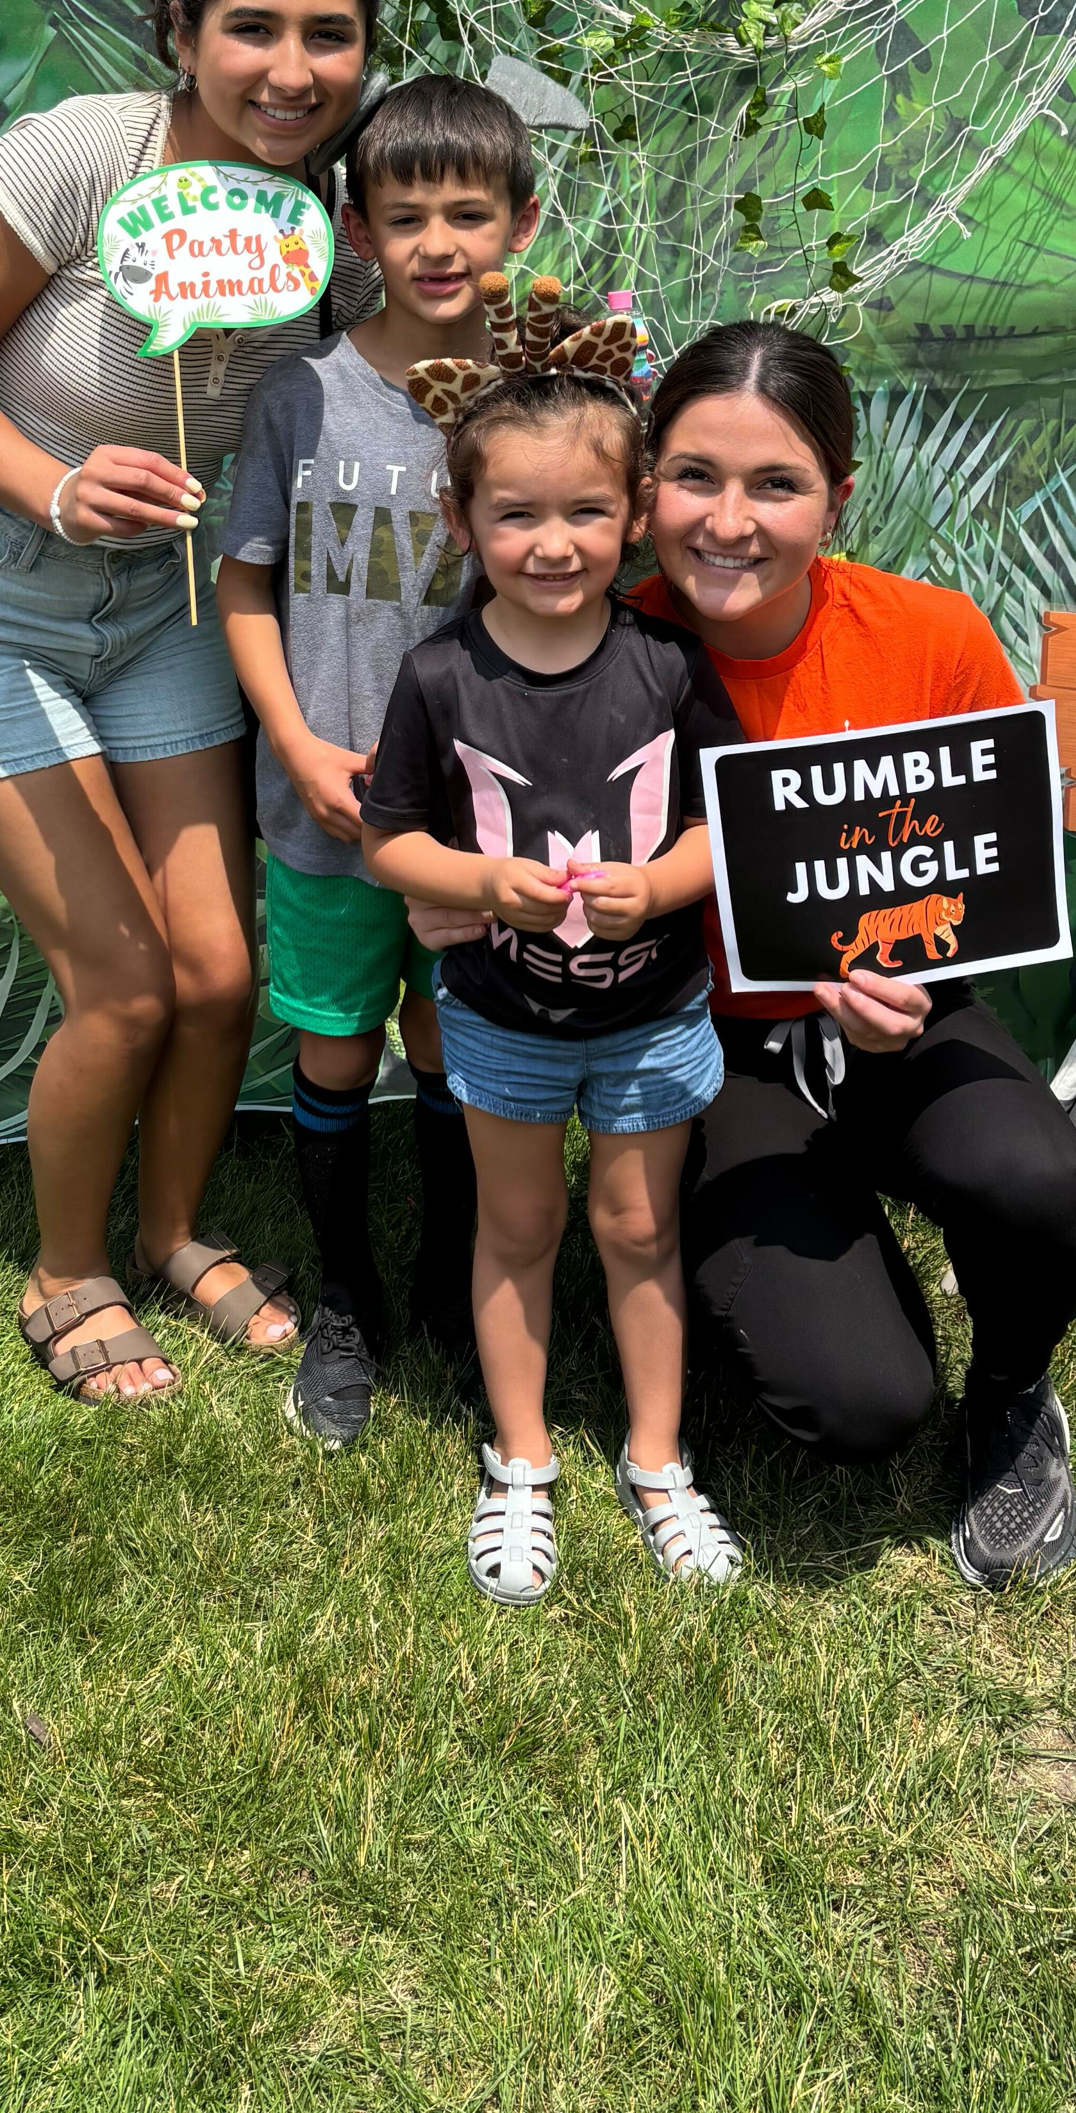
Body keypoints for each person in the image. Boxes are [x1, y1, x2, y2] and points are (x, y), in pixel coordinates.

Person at [0, 0, 385, 1403]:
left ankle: (170, 1230)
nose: (294, 71)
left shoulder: (338, 208)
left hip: (165, 619)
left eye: (331, 35)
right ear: (179, 27)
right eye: (253, 30)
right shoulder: (79, 157)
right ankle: (65, 1267)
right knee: (124, 978)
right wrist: (51, 481)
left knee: (221, 973)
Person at [630, 321, 1076, 1588]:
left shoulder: (928, 635)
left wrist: (913, 989)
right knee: (860, 1406)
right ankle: (689, 1245)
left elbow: (989, 880)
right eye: (694, 477)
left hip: (898, 1009)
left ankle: (1010, 1393)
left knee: (1035, 1182)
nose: (728, 522)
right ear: (645, 486)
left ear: (837, 499)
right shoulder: (599, 644)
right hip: (701, 1045)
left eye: (775, 485)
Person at [359, 373, 745, 1606]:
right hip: (502, 1017)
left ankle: (656, 1461)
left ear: (633, 514)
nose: (552, 543)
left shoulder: (670, 668)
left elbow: (721, 824)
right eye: (515, 514)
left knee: (641, 1230)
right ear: (460, 522)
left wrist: (668, 887)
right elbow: (390, 843)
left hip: (653, 1013)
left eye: (585, 510)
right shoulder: (436, 678)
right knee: (516, 1228)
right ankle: (520, 1463)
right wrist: (481, 882)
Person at [217, 77, 539, 1449]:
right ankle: (345, 1295)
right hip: (326, 815)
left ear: (519, 224)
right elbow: (242, 588)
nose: (437, 242)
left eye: (468, 213)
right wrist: (291, 739)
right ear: (355, 228)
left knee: (455, 1052)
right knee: (338, 1052)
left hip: (474, 828)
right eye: (404, 215)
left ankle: (462, 1290)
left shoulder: (542, 397)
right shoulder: (298, 396)